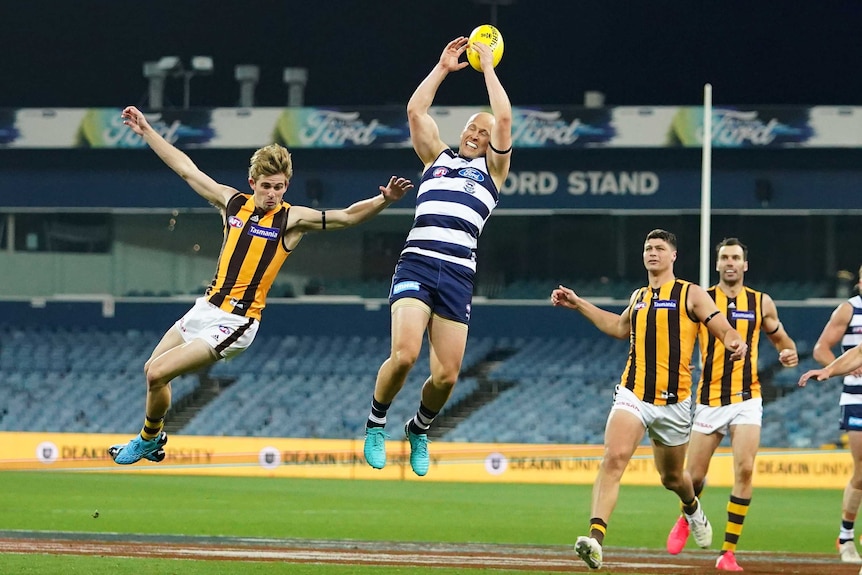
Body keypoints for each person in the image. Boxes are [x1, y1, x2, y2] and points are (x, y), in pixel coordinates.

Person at [107, 105, 413, 465]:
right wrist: (147, 132)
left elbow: (345, 216)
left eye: (280, 187)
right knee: (151, 373)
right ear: (253, 183)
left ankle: (146, 439)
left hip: (236, 322)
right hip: (206, 307)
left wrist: (384, 200)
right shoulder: (232, 203)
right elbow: (186, 168)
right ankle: (153, 439)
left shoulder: (291, 219)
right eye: (266, 186)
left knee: (159, 372)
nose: (273, 194)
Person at [550, 229, 749, 571]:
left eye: (660, 248)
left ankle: (692, 509)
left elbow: (723, 327)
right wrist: (579, 303)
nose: (653, 253)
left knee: (672, 478)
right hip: (634, 393)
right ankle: (595, 540)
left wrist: (735, 341)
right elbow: (618, 327)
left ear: (673, 256)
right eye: (648, 248)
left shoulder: (692, 294)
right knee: (614, 458)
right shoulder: (639, 296)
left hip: (674, 403)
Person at [361, 36, 512, 477]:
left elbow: (503, 116)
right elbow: (415, 112)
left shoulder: (493, 172)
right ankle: (376, 422)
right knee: (405, 354)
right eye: (471, 126)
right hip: (418, 263)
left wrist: (487, 68)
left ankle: (419, 427)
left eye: (483, 133)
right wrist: (444, 67)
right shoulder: (436, 158)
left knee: (446, 376)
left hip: (459, 275)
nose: (475, 133)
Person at [664, 238, 798, 572]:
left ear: (745, 265)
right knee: (692, 478)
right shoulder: (703, 299)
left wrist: (789, 352)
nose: (730, 263)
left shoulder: (761, 302)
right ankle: (688, 515)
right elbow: (681, 335)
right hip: (709, 399)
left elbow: (782, 339)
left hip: (747, 398)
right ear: (718, 263)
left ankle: (728, 552)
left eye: (736, 257)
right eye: (725, 257)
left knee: (746, 469)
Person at [802, 265, 862, 564]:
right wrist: (836, 370)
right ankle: (847, 536)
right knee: (861, 470)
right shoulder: (848, 310)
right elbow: (826, 349)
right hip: (857, 396)